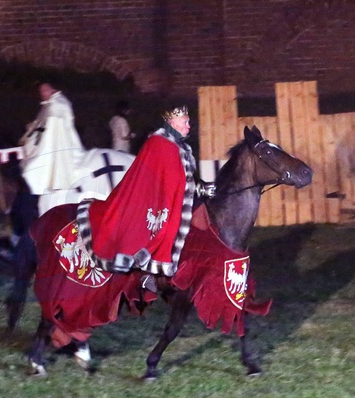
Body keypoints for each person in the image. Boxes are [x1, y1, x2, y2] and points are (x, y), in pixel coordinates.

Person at [75, 106, 214, 290]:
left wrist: (202, 188)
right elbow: (162, 180)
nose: (189, 126)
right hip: (156, 202)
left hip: (177, 200)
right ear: (172, 122)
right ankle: (144, 272)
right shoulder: (159, 143)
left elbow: (184, 180)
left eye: (188, 122)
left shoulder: (182, 148)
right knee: (151, 232)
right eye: (185, 122)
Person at [18, 80, 87, 196]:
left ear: (53, 89)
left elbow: (49, 127)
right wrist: (32, 128)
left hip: (59, 142)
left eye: (45, 90)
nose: (42, 93)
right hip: (46, 139)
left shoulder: (57, 104)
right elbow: (41, 123)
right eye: (41, 91)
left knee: (31, 167)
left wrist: (35, 134)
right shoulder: (49, 104)